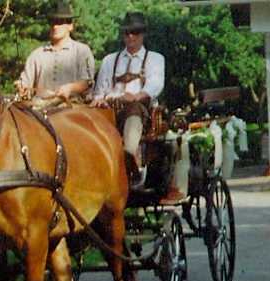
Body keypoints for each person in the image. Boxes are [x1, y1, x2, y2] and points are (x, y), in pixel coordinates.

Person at [91, 12, 165, 187]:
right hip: (111, 108)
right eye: (127, 32)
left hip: (140, 109)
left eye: (135, 32)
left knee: (134, 108)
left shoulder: (155, 59)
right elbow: (99, 91)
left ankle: (129, 156)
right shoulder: (109, 60)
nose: (131, 36)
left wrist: (137, 96)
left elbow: (155, 85)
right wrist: (100, 100)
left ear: (143, 34)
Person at [14, 0, 95, 102]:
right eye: (52, 22)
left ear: (70, 26)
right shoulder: (36, 55)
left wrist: (70, 88)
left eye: (60, 22)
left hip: (73, 105)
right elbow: (25, 83)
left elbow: (88, 82)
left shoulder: (82, 51)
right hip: (40, 106)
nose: (55, 26)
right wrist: (21, 87)